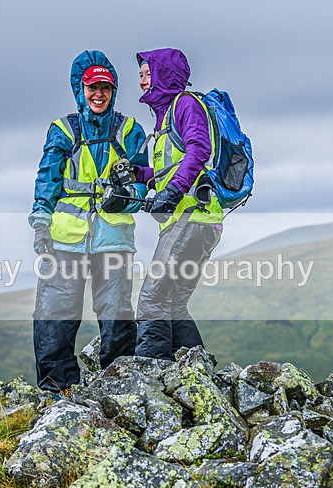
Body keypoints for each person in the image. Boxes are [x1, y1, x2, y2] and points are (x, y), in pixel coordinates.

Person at [29, 50, 148, 394]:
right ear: (80, 89)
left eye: (106, 88)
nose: (99, 94)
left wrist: (129, 191)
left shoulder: (129, 130)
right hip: (65, 239)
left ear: (114, 92)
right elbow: (47, 179)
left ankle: (120, 386)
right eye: (93, 87)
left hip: (113, 238)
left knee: (116, 312)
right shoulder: (63, 130)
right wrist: (40, 223)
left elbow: (145, 176)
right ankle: (57, 389)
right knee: (55, 313)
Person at [132, 48, 223, 361]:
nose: (142, 81)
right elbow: (168, 170)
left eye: (147, 74)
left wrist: (172, 192)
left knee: (152, 299)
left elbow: (199, 150)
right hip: (195, 220)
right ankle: (196, 372)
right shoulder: (164, 120)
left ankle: (150, 377)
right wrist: (140, 174)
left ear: (162, 74)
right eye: (141, 75)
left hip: (192, 218)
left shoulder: (185, 105)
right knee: (173, 302)